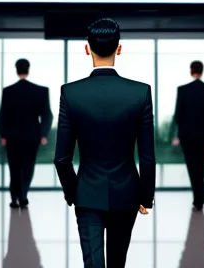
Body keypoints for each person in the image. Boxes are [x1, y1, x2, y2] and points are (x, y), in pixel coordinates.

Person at [54, 18, 155, 268]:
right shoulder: (140, 92)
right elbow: (147, 156)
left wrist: (73, 192)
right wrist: (146, 196)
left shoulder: (70, 92)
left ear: (87, 48)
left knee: (93, 263)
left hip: (87, 193)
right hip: (127, 192)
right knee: (117, 262)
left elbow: (61, 159)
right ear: (119, 48)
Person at [0, 58, 53, 209]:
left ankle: (14, 198)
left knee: (14, 167)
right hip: (32, 136)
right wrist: (43, 134)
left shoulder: (8, 91)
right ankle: (23, 196)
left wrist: (3, 135)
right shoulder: (41, 91)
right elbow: (48, 115)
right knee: (28, 167)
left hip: (12, 136)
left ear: (16, 70)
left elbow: (3, 115)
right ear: (28, 69)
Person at [171, 61, 204, 211]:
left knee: (192, 167)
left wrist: (176, 135)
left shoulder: (183, 90)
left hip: (188, 135)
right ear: (202, 71)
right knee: (202, 166)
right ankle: (200, 196)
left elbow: (178, 114)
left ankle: (198, 199)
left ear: (191, 70)